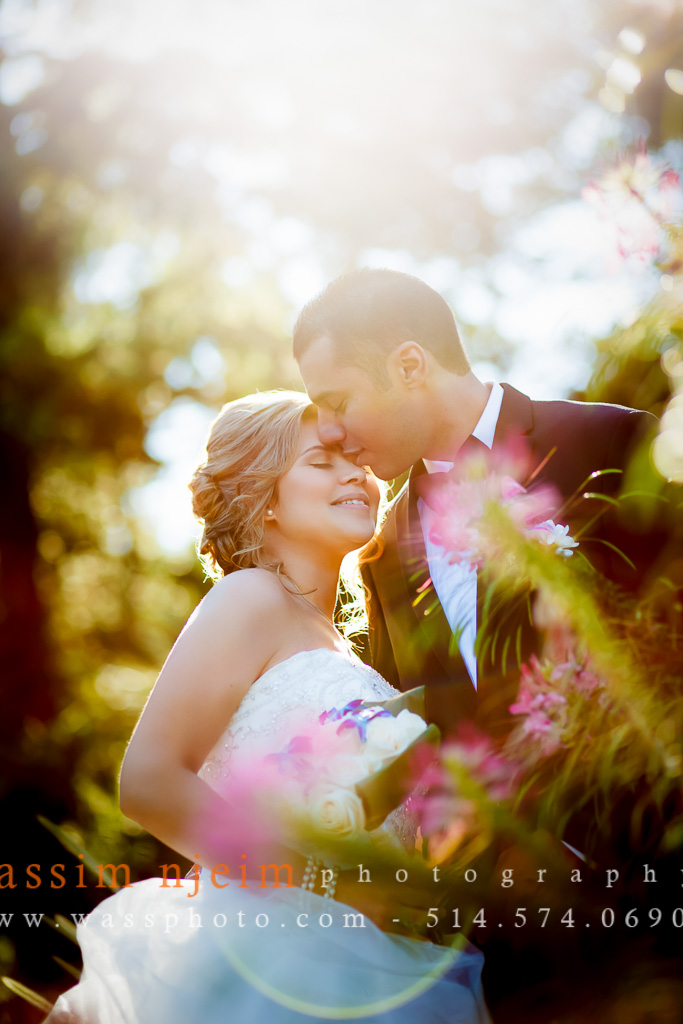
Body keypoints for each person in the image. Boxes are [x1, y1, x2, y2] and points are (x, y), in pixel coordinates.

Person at [45, 390, 489, 1024]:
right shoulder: (250, 597)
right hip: (274, 955)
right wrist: (324, 883)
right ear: (266, 498)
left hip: (377, 960)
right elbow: (148, 780)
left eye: (354, 461)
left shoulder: (353, 654)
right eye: (321, 461)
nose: (354, 474)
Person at [293, 267, 659, 741]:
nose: (326, 431)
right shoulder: (381, 555)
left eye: (338, 402)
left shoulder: (611, 442)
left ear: (409, 367)